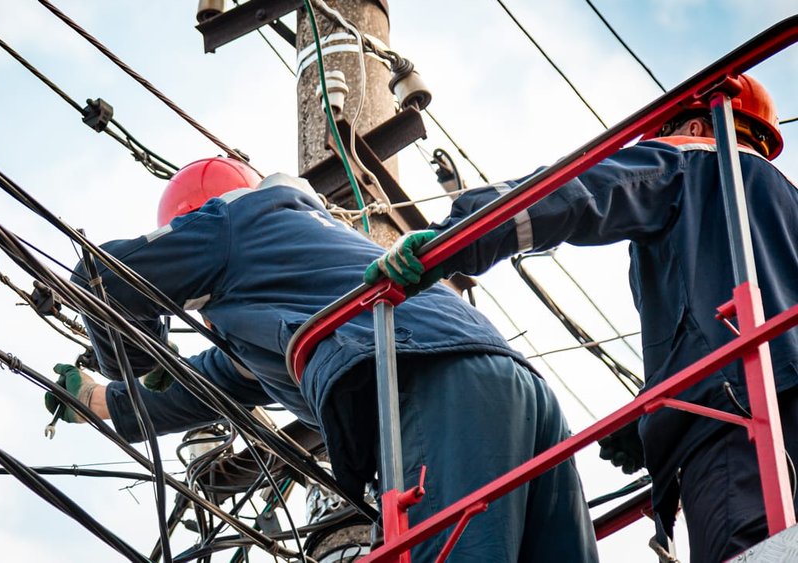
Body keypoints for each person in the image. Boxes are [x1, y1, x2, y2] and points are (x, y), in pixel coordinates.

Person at [46, 156, 599, 562]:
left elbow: (102, 277)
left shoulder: (233, 223)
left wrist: (136, 356)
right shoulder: (282, 296)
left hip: (430, 383)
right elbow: (200, 388)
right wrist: (97, 399)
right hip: (518, 389)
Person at [367, 73, 798, 562]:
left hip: (735, 421)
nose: (657, 145)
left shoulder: (693, 162)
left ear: (698, 127)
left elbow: (579, 191)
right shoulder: (786, 202)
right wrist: (652, 416)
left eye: (662, 134)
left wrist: (458, 237)